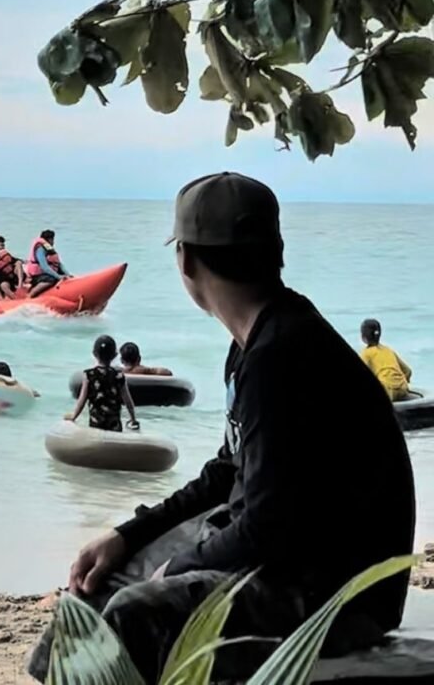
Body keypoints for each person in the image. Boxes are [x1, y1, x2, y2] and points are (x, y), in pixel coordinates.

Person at [29, 172, 416, 684]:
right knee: (98, 583)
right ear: (274, 249)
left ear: (185, 259)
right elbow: (223, 474)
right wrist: (127, 535)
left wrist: (179, 566)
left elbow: (264, 527)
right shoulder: (256, 343)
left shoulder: (281, 356)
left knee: (132, 611)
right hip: (294, 555)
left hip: (338, 593)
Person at [65, 335, 139, 431]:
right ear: (115, 355)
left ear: (94, 353)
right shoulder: (119, 376)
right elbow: (128, 401)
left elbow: (82, 400)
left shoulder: (89, 375)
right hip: (114, 427)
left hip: (96, 425)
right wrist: (133, 419)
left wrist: (74, 416)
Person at [360, 318, 413, 401]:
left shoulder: (366, 353)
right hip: (403, 388)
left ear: (363, 337)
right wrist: (399, 385)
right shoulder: (388, 350)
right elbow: (408, 371)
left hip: (387, 390)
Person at [25, 229, 72, 298]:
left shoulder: (48, 249)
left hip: (47, 273)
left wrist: (68, 275)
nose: (53, 242)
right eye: (52, 239)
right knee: (51, 280)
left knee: (63, 276)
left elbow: (59, 264)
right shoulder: (40, 249)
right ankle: (30, 295)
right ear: (49, 240)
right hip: (38, 275)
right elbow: (44, 267)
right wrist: (58, 276)